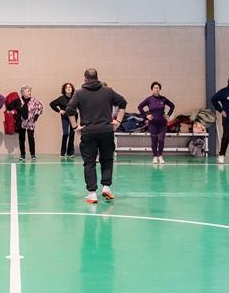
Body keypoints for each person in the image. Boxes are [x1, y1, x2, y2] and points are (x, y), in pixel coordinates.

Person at [66, 68, 126, 204]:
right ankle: (106, 187)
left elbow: (70, 110)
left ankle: (92, 194)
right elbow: (123, 103)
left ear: (85, 78)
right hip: (106, 131)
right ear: (97, 77)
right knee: (107, 159)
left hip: (88, 132)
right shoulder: (108, 91)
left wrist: (75, 127)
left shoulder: (79, 93)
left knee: (90, 163)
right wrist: (118, 121)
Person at [137, 82, 175, 165]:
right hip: (152, 124)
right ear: (152, 89)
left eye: (157, 88)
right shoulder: (149, 99)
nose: (156, 89)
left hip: (162, 124)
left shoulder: (163, 99)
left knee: (161, 140)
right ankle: (154, 156)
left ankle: (160, 156)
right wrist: (146, 115)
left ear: (160, 89)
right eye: (154, 88)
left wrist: (168, 115)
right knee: (154, 141)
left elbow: (172, 106)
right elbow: (139, 107)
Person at [8, 86, 44, 161]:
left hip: (31, 122)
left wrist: (36, 115)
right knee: (22, 139)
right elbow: (9, 107)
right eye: (27, 91)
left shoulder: (34, 100)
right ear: (22, 93)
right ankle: (22, 155)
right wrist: (15, 113)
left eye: (30, 91)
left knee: (31, 138)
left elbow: (40, 107)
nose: (29, 92)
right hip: (21, 122)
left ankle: (33, 154)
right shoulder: (18, 101)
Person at [50, 82, 76, 158]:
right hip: (65, 118)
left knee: (72, 134)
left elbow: (81, 104)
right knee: (65, 133)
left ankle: (70, 152)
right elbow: (52, 104)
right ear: (64, 89)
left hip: (74, 117)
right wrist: (59, 111)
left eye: (70, 87)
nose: (68, 88)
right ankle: (62, 152)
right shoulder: (61, 98)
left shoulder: (75, 97)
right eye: (67, 87)